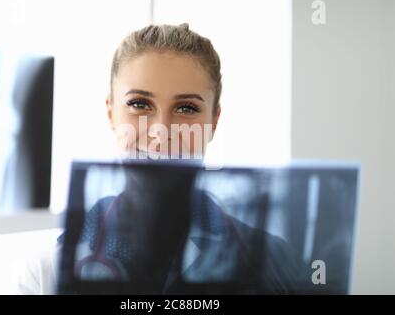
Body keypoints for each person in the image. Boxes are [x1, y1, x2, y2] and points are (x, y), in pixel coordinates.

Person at [17, 23, 297, 295]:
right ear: (111, 113)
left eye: (186, 108)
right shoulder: (47, 271)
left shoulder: (274, 261)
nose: (161, 133)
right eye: (140, 104)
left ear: (213, 121)